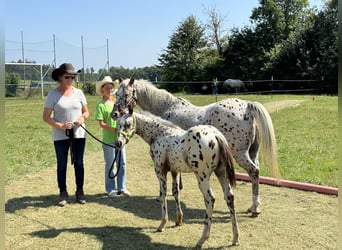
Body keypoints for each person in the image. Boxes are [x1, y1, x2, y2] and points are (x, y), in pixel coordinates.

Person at [43, 63, 89, 206]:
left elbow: (86, 112)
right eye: (67, 76)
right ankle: (63, 192)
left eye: (72, 76)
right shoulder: (53, 95)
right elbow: (46, 116)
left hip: (79, 133)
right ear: (60, 78)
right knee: (62, 164)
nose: (70, 79)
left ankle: (80, 191)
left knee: (79, 163)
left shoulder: (79, 93)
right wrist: (60, 126)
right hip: (60, 135)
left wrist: (82, 118)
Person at [95, 76, 130, 197]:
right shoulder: (101, 105)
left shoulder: (117, 102)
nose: (109, 90)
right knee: (110, 164)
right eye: (107, 88)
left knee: (122, 163)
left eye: (111, 88)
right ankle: (111, 189)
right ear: (103, 89)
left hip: (120, 138)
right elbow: (101, 123)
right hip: (108, 139)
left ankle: (122, 187)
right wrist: (114, 129)